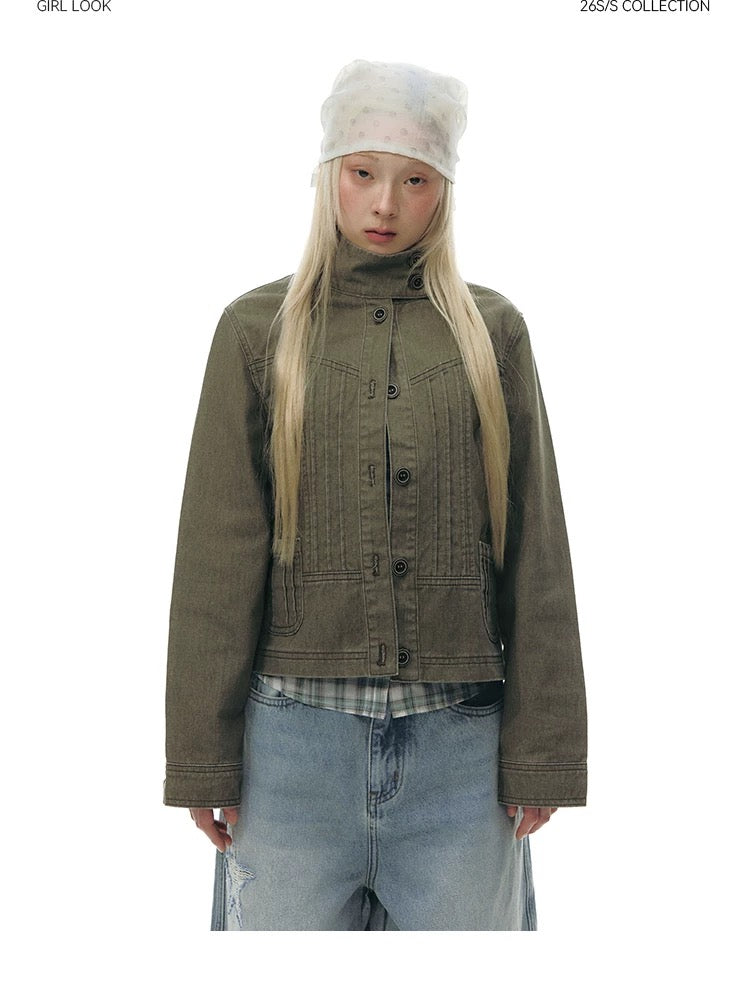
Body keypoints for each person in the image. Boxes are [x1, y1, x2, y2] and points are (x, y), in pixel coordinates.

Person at [164, 59, 587, 931]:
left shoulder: (494, 335)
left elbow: (537, 555)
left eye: (414, 180)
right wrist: (203, 758)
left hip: (461, 760)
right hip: (289, 759)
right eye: (363, 172)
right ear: (329, 174)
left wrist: (542, 753)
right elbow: (216, 559)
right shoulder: (257, 332)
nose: (385, 203)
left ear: (445, 191)